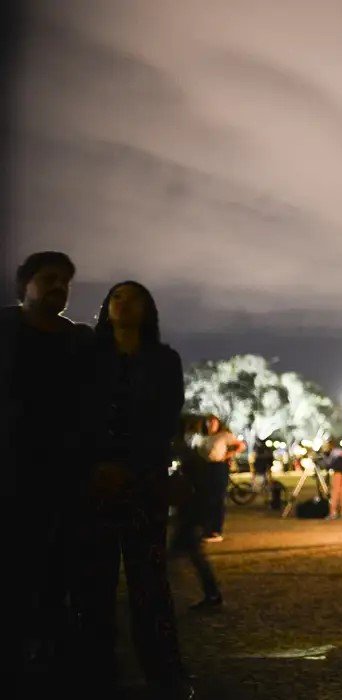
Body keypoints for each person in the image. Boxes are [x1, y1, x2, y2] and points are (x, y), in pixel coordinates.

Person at [78, 281, 193, 698]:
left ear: (149, 309)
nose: (124, 304)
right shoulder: (87, 355)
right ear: (107, 308)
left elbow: (164, 419)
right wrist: (98, 464)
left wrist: (134, 468)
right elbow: (77, 414)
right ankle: (96, 670)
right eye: (117, 297)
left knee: (150, 582)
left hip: (144, 482)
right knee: (95, 581)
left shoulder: (164, 361)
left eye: (134, 297)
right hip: (94, 482)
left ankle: (164, 672)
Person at [2, 252, 93, 691]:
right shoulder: (4, 330)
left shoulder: (80, 341)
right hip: (12, 476)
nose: (59, 286)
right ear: (25, 285)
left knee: (61, 577)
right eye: (49, 278)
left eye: (65, 281)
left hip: (66, 480)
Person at [170, 414, 223, 611]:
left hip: (191, 512)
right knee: (189, 554)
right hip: (191, 511)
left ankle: (210, 593)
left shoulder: (189, 454)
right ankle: (210, 593)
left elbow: (197, 487)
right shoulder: (189, 453)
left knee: (187, 554)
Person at [195, 414, 244, 542]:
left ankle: (216, 530)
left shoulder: (223, 435)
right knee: (206, 498)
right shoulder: (204, 437)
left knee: (217, 498)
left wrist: (228, 454)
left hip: (219, 467)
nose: (211, 424)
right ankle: (207, 529)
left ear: (218, 423)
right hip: (206, 468)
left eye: (213, 422)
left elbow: (241, 446)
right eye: (209, 422)